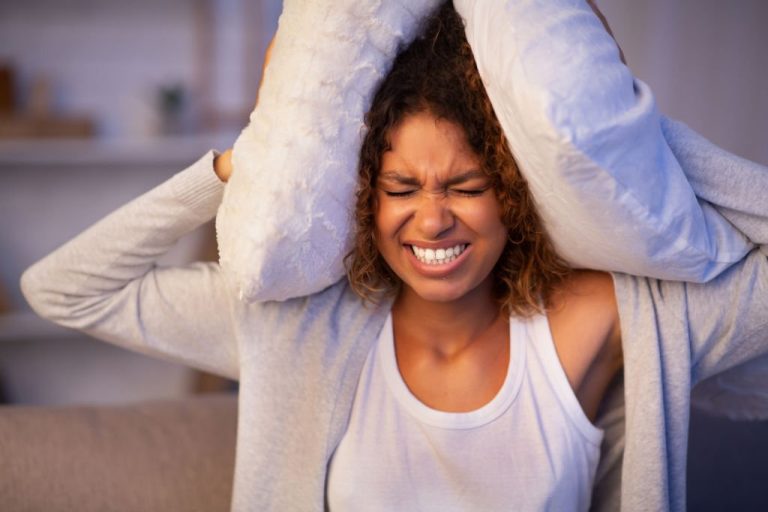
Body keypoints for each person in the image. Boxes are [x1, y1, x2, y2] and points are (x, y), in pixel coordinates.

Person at [20, 2, 768, 511]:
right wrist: (241, 165)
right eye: (401, 187)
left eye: (467, 185)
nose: (433, 219)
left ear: (514, 191)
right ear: (363, 201)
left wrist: (627, 146)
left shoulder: (600, 316)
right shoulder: (299, 325)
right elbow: (64, 289)